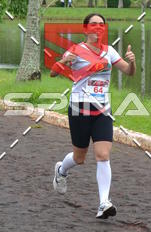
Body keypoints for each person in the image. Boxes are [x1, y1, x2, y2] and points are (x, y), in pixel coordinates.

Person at [50, 13, 136, 218]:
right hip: (80, 108)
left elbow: (129, 72)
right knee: (79, 158)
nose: (98, 28)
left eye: (101, 25)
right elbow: (53, 72)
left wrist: (132, 62)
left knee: (103, 154)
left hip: (102, 109)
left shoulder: (110, 51)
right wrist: (64, 61)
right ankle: (61, 170)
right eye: (93, 25)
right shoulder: (77, 49)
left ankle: (103, 203)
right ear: (86, 29)